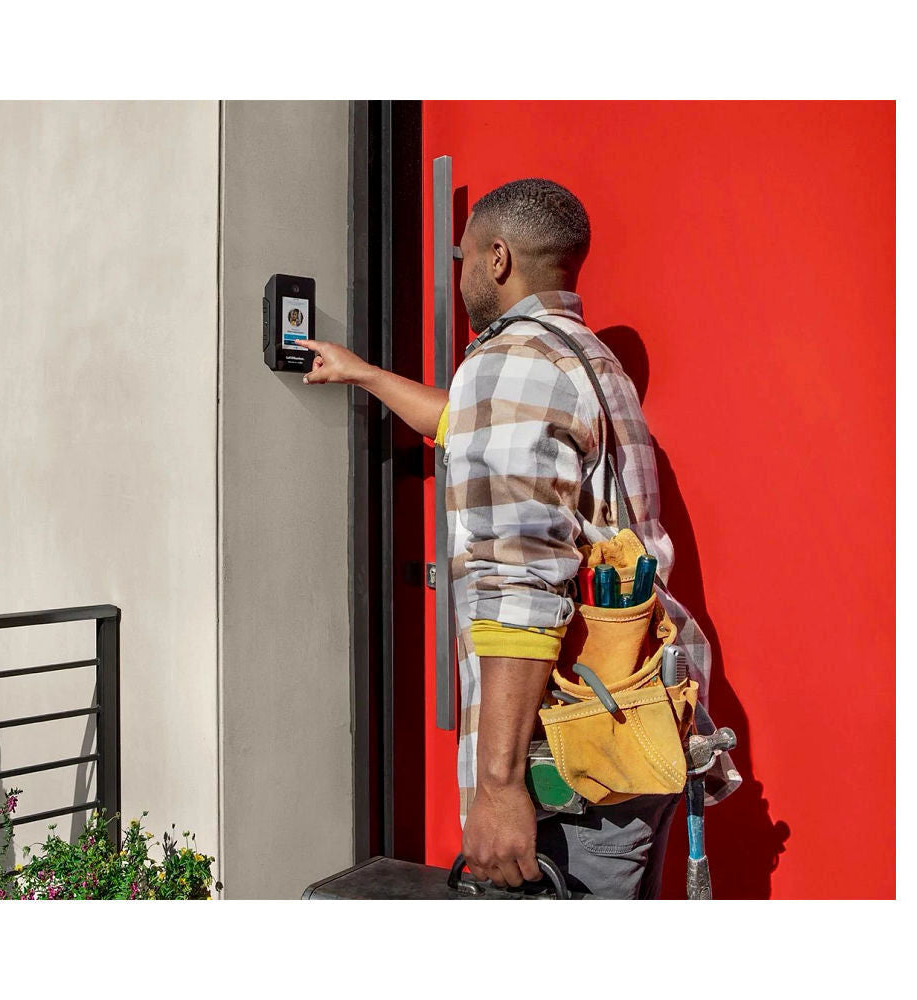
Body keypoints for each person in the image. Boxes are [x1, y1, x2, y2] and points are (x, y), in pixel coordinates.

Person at [299, 177, 739, 899]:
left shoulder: (508, 368)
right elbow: (467, 425)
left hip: (566, 765)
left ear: (496, 258)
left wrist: (499, 784)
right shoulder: (585, 360)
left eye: (464, 254)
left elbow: (522, 588)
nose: (461, 269)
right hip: (639, 733)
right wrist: (362, 373)